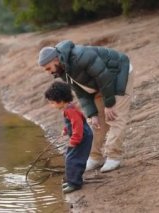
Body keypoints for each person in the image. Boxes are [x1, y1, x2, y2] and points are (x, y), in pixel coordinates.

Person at [38, 40, 134, 173]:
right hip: (100, 83)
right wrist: (92, 113)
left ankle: (114, 156)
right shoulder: (62, 69)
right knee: (95, 122)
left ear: (55, 59)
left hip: (118, 75)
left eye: (48, 68)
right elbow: (81, 92)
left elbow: (104, 77)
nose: (48, 72)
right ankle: (95, 157)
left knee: (114, 117)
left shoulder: (81, 56)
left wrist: (109, 104)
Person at [44, 81, 92, 194]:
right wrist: (66, 130)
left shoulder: (70, 111)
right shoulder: (68, 108)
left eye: (51, 103)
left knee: (73, 159)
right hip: (80, 136)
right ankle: (74, 180)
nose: (51, 105)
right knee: (71, 157)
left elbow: (78, 125)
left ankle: (74, 184)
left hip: (82, 138)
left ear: (60, 100)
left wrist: (75, 140)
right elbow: (72, 123)